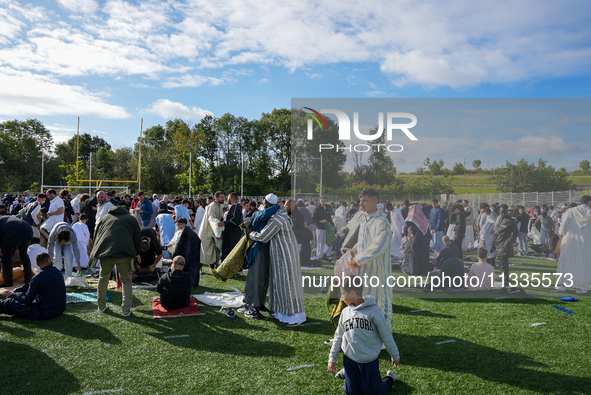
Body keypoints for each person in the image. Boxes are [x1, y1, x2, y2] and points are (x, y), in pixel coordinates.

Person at [328, 276, 399, 395]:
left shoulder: (373, 311)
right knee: (351, 392)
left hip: (369, 361)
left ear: (352, 292)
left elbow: (386, 335)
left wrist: (394, 354)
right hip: (350, 360)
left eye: (343, 293)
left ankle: (390, 378)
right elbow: (338, 337)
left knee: (373, 392)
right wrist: (332, 358)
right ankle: (348, 373)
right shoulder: (345, 312)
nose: (342, 297)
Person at [247, 197, 306, 326]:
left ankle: (294, 317)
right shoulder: (283, 216)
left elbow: (263, 236)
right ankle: (281, 313)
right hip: (283, 256)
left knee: (287, 286)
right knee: (279, 285)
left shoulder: (277, 219)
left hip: (285, 257)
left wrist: (250, 234)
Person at [348, 188, 393, 330]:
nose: (361, 204)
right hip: (362, 268)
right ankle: (366, 334)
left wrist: (358, 259)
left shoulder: (381, 222)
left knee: (379, 301)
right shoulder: (364, 219)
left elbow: (378, 247)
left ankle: (384, 338)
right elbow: (363, 241)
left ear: (375, 202)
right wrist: (354, 249)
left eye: (365, 201)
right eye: (360, 201)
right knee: (363, 301)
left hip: (377, 269)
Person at [90, 205, 141, 316]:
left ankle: (101, 306)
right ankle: (126, 310)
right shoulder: (131, 219)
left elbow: (96, 235)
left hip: (106, 252)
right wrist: (137, 253)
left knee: (103, 278)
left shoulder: (105, 218)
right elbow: (137, 237)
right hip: (125, 253)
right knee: (126, 280)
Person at [0, 252, 66, 320]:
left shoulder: (39, 277)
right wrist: (17, 289)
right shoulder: (58, 272)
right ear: (49, 260)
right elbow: (32, 285)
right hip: (59, 309)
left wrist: (11, 294)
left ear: (37, 264)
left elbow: (26, 300)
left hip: (44, 312)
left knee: (9, 303)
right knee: (23, 294)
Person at [556, 196, 591, 294]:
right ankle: (579, 288)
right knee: (582, 264)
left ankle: (563, 285)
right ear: (589, 203)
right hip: (586, 242)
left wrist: (562, 233)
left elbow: (563, 225)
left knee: (567, 261)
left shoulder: (570, 211)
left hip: (570, 240)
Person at [491, 205, 519, 291]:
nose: (502, 213)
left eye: (504, 212)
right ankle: (505, 282)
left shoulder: (510, 221)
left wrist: (507, 242)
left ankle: (505, 283)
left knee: (503, 265)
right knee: (500, 264)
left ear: (507, 211)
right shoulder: (499, 219)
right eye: (501, 212)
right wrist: (493, 244)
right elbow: (496, 233)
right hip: (498, 244)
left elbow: (515, 233)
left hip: (504, 245)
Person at [0, 216, 34, 287]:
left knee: (6, 259)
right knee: (23, 254)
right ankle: (28, 278)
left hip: (13, 232)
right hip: (27, 229)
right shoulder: (5, 219)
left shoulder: (3, 222)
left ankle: (8, 282)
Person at [198, 191, 224, 273]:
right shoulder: (212, 206)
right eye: (221, 197)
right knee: (203, 251)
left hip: (214, 232)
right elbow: (212, 219)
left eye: (223, 197)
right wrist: (220, 224)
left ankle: (212, 269)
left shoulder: (220, 207)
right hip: (206, 231)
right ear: (216, 198)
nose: (223, 199)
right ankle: (199, 269)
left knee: (213, 251)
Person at [172, 217, 201, 287]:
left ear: (184, 224)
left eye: (179, 224)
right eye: (177, 224)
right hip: (191, 256)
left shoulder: (187, 233)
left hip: (189, 256)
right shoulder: (184, 232)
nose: (177, 226)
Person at [403, 204, 431, 276]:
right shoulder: (423, 217)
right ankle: (424, 271)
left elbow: (405, 227)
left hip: (417, 238)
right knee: (424, 255)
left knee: (414, 254)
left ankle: (414, 271)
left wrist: (406, 235)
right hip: (425, 238)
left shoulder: (412, 217)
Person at [221, 192, 243, 262]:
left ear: (230, 197)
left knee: (232, 252)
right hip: (231, 234)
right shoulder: (235, 206)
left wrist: (224, 223)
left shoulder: (235, 206)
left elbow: (235, 219)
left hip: (233, 234)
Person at [312, 197, 334, 261]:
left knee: (329, 242)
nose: (324, 203)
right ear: (320, 201)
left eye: (325, 201)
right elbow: (313, 219)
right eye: (322, 201)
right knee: (320, 243)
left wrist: (333, 225)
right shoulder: (317, 209)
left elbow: (329, 218)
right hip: (320, 228)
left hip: (327, 228)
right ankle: (319, 256)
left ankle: (325, 254)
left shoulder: (327, 208)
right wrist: (320, 221)